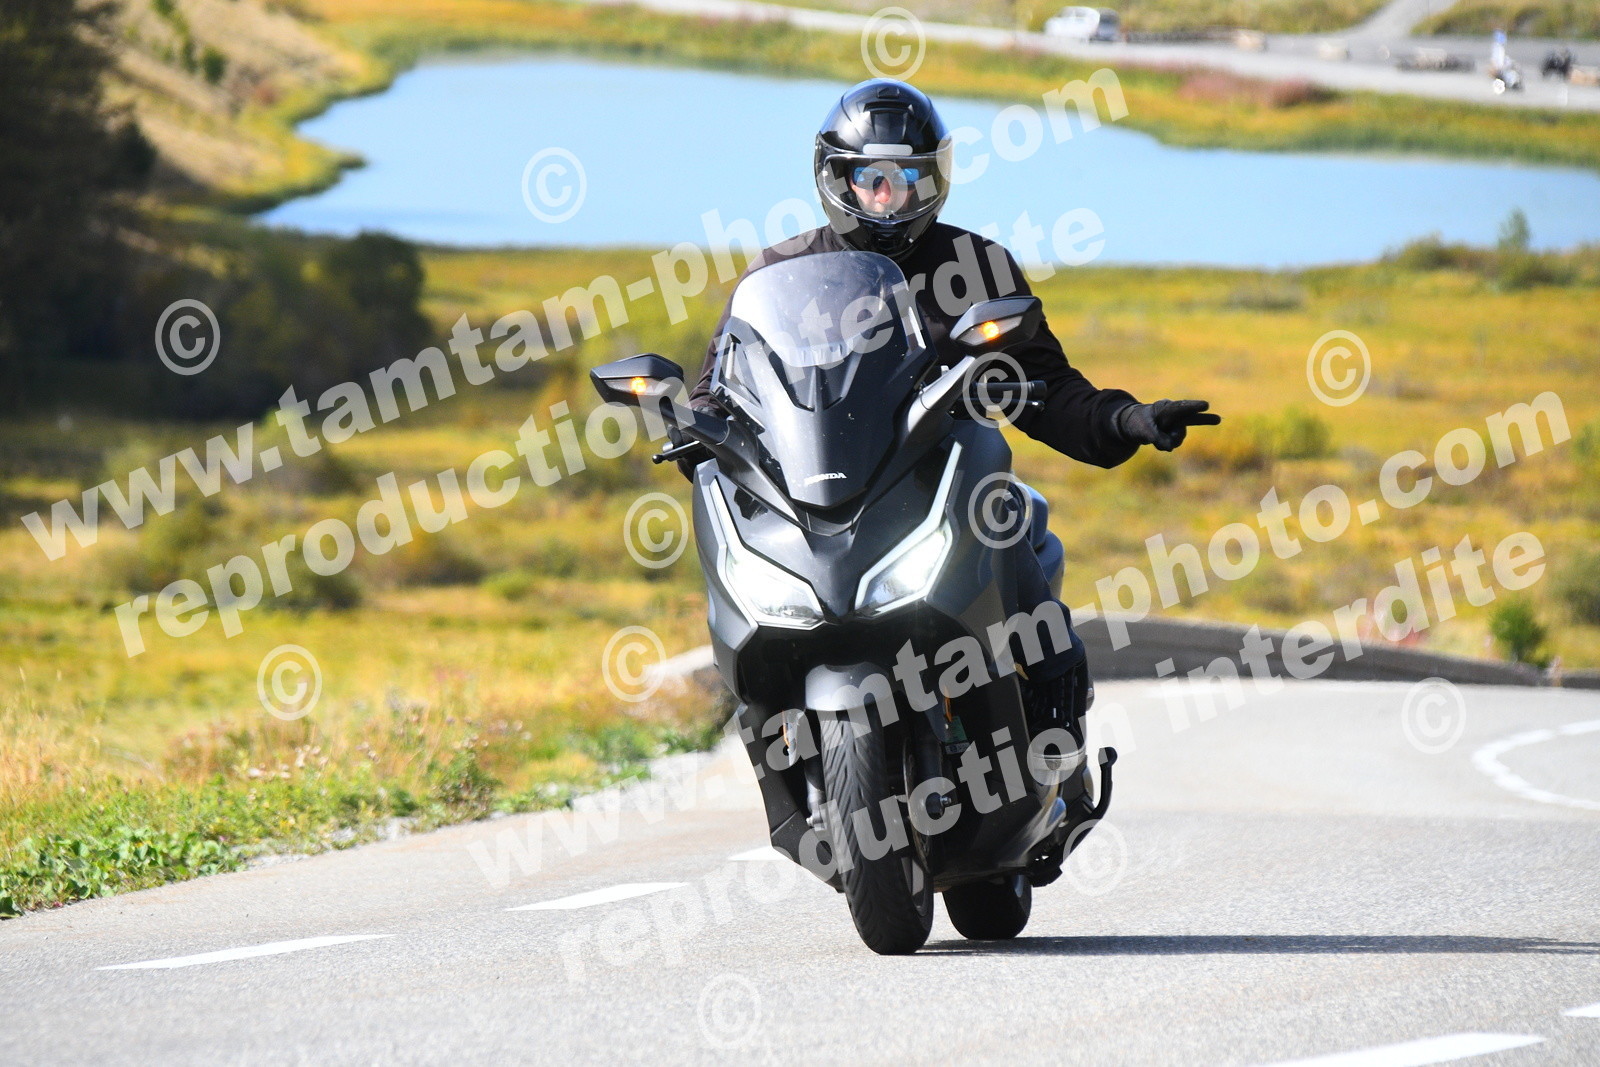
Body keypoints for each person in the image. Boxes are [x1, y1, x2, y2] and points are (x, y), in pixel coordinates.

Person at [685, 78, 1219, 735]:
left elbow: (1049, 386)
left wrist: (1128, 419)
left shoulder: (975, 266)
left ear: (933, 178)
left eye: (908, 177)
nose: (889, 196)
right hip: (820, 499)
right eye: (872, 179)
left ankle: (1055, 713)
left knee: (1006, 522)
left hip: (943, 488)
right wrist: (696, 427)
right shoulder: (782, 272)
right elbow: (718, 385)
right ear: (837, 179)